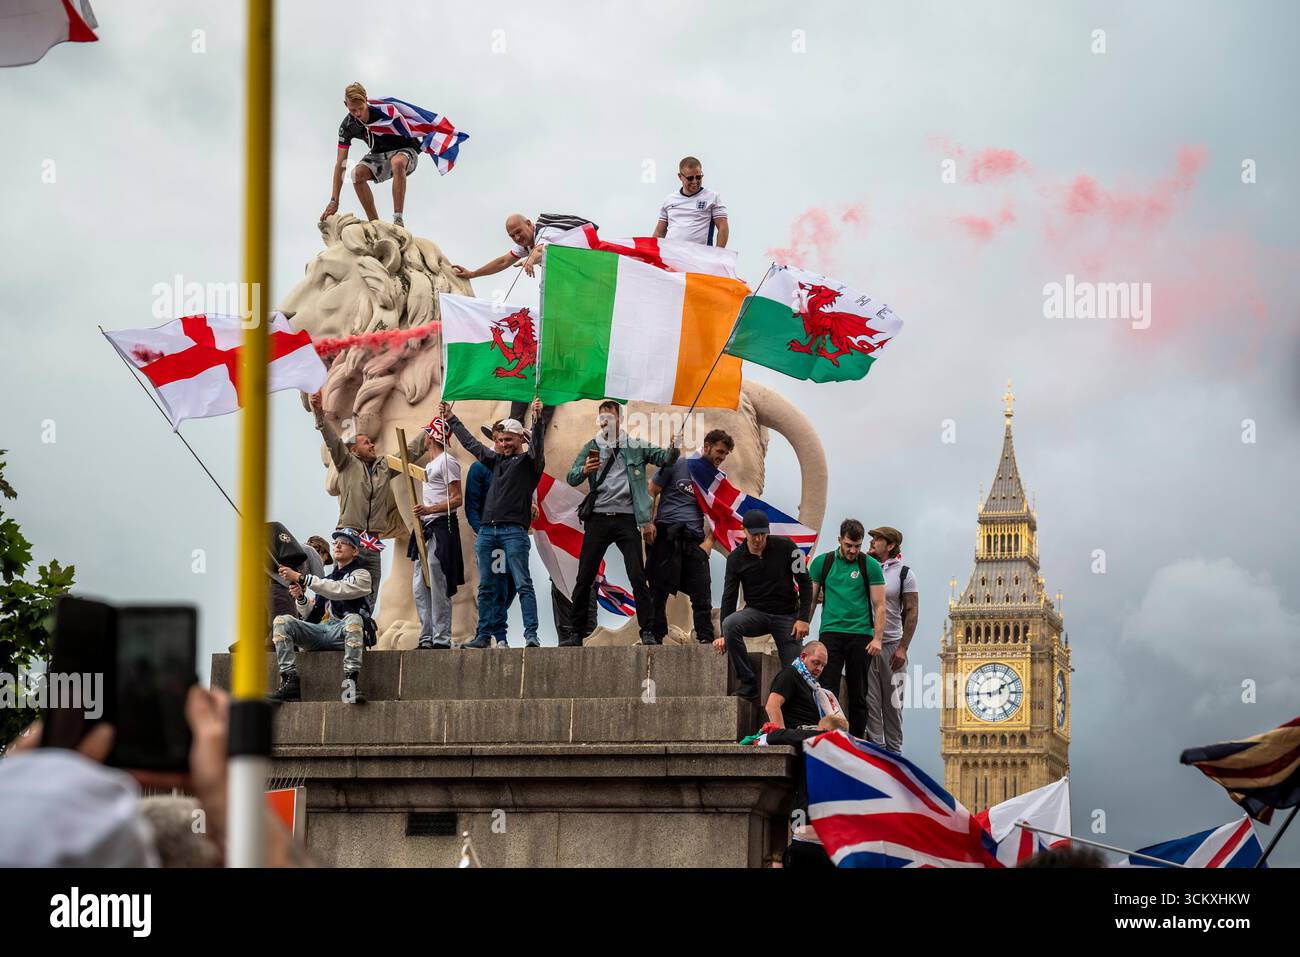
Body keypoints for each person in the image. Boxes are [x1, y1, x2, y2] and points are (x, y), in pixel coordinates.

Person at [565, 400, 679, 646]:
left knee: (637, 575)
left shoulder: (634, 446)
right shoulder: (592, 446)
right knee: (584, 577)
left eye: (610, 415)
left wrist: (674, 447)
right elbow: (571, 477)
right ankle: (575, 632)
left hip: (626, 518)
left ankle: (647, 630)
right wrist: (585, 469)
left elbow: (664, 459)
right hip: (598, 518)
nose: (606, 420)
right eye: (602, 416)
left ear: (620, 418)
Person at [442, 398, 546, 647]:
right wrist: (451, 418)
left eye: (508, 440)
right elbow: (471, 444)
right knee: (486, 587)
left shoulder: (530, 464)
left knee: (523, 584)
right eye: (499, 440)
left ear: (521, 439)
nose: (503, 444)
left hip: (514, 532)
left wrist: (538, 419)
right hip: (488, 532)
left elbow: (538, 447)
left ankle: (531, 634)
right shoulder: (493, 461)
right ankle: (483, 635)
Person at [309, 390, 426, 609]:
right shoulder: (346, 464)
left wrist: (430, 431)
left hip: (371, 540)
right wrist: (319, 414)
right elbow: (332, 441)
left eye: (372, 443)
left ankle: (364, 628)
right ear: (355, 450)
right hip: (348, 536)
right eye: (367, 443)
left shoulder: (383, 467)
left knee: (370, 588)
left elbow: (408, 453)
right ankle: (340, 628)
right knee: (342, 589)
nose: (373, 445)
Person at [644, 429, 733, 644]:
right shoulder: (678, 463)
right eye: (719, 451)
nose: (721, 457)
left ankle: (704, 638)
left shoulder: (717, 479)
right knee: (657, 591)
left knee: (702, 594)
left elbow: (724, 514)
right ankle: (656, 637)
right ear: (707, 445)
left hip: (694, 539)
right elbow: (652, 489)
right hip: (665, 532)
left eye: (725, 454)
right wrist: (648, 522)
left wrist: (709, 542)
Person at [717, 510, 813, 700]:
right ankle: (748, 683)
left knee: (794, 669)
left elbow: (805, 582)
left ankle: (790, 706)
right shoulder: (735, 559)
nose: (759, 539)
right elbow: (729, 596)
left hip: (787, 616)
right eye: (754, 534)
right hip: (757, 613)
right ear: (744, 531)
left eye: (763, 534)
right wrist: (722, 635)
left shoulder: (787, 547)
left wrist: (803, 619)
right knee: (730, 625)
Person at [271, 529, 375, 704]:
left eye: (345, 542)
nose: (338, 545)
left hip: (342, 632)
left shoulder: (362, 575)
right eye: (335, 543)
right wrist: (301, 599)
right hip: (321, 631)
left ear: (355, 551)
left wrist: (300, 577)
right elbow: (312, 616)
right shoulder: (328, 579)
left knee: (354, 620)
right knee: (282, 621)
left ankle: (350, 684)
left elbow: (338, 590)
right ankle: (290, 682)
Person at [808, 519, 887, 739]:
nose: (853, 551)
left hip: (860, 635)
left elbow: (880, 605)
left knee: (858, 694)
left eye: (857, 546)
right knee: (826, 689)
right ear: (839, 541)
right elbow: (811, 600)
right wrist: (804, 622)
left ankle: (857, 741)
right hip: (831, 633)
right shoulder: (822, 563)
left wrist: (878, 638)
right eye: (848, 545)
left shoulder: (869, 564)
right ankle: (827, 737)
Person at [323, 81, 420, 227]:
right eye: (352, 110)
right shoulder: (348, 126)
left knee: (397, 162)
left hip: (406, 152)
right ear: (346, 105)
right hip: (379, 155)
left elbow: (415, 118)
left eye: (360, 108)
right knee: (355, 174)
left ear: (366, 100)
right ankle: (376, 224)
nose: (358, 114)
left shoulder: (383, 110)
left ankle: (398, 219)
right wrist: (334, 200)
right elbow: (341, 163)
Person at [409, 418, 465, 649]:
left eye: (426, 434)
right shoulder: (430, 465)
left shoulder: (447, 462)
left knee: (438, 579)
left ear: (431, 437)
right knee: (419, 585)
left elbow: (457, 499)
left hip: (441, 525)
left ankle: (441, 638)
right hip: (426, 527)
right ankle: (426, 637)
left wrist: (429, 509)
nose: (423, 438)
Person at [866, 526, 918, 752]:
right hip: (867, 644)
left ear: (890, 546)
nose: (873, 542)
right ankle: (877, 751)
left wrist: (903, 648)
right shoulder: (865, 567)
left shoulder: (904, 573)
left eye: (878, 539)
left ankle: (895, 753)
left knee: (893, 706)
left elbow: (912, 611)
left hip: (892, 647)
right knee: (871, 704)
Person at [452, 212, 596, 281]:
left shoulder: (546, 231)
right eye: (512, 236)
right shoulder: (526, 243)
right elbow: (503, 261)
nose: (517, 238)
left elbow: (541, 250)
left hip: (594, 264)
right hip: (576, 273)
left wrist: (530, 260)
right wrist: (473, 274)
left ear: (528, 224)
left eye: (518, 232)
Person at [652, 156, 729, 247]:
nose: (695, 181)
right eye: (690, 178)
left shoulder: (712, 197)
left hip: (698, 256)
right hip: (671, 255)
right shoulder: (669, 199)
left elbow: (723, 228)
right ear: (680, 177)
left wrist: (718, 254)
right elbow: (659, 233)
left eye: (698, 177)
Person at [764, 640, 835, 729]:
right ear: (803, 656)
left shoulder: (814, 686)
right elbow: (772, 706)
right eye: (816, 663)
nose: (819, 669)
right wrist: (781, 734)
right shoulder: (790, 674)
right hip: (798, 732)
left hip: (812, 732)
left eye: (823, 665)